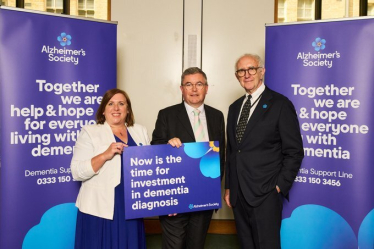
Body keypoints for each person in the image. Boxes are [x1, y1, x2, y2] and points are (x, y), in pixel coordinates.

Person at [224, 54, 304, 249]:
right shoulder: (234, 108)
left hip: (266, 193)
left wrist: (279, 186)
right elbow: (233, 151)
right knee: (246, 244)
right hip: (238, 194)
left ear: (262, 71)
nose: (247, 74)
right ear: (237, 76)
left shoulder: (280, 104)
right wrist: (229, 186)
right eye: (241, 71)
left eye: (251, 69)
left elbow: (294, 151)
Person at [151, 67, 225, 249]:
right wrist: (167, 146)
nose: (194, 89)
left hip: (204, 198)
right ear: (181, 89)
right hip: (175, 201)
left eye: (199, 84)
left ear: (206, 88)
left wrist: (214, 189)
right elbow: (155, 151)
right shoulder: (166, 115)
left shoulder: (217, 116)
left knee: (196, 245)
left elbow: (221, 155)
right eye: (188, 84)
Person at [71, 88, 150, 249]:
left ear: (127, 110)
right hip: (100, 207)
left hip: (132, 204)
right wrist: (105, 155)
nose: (116, 108)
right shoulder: (90, 132)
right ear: (103, 111)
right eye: (111, 104)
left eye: (121, 104)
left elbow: (152, 167)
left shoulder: (140, 131)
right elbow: (77, 172)